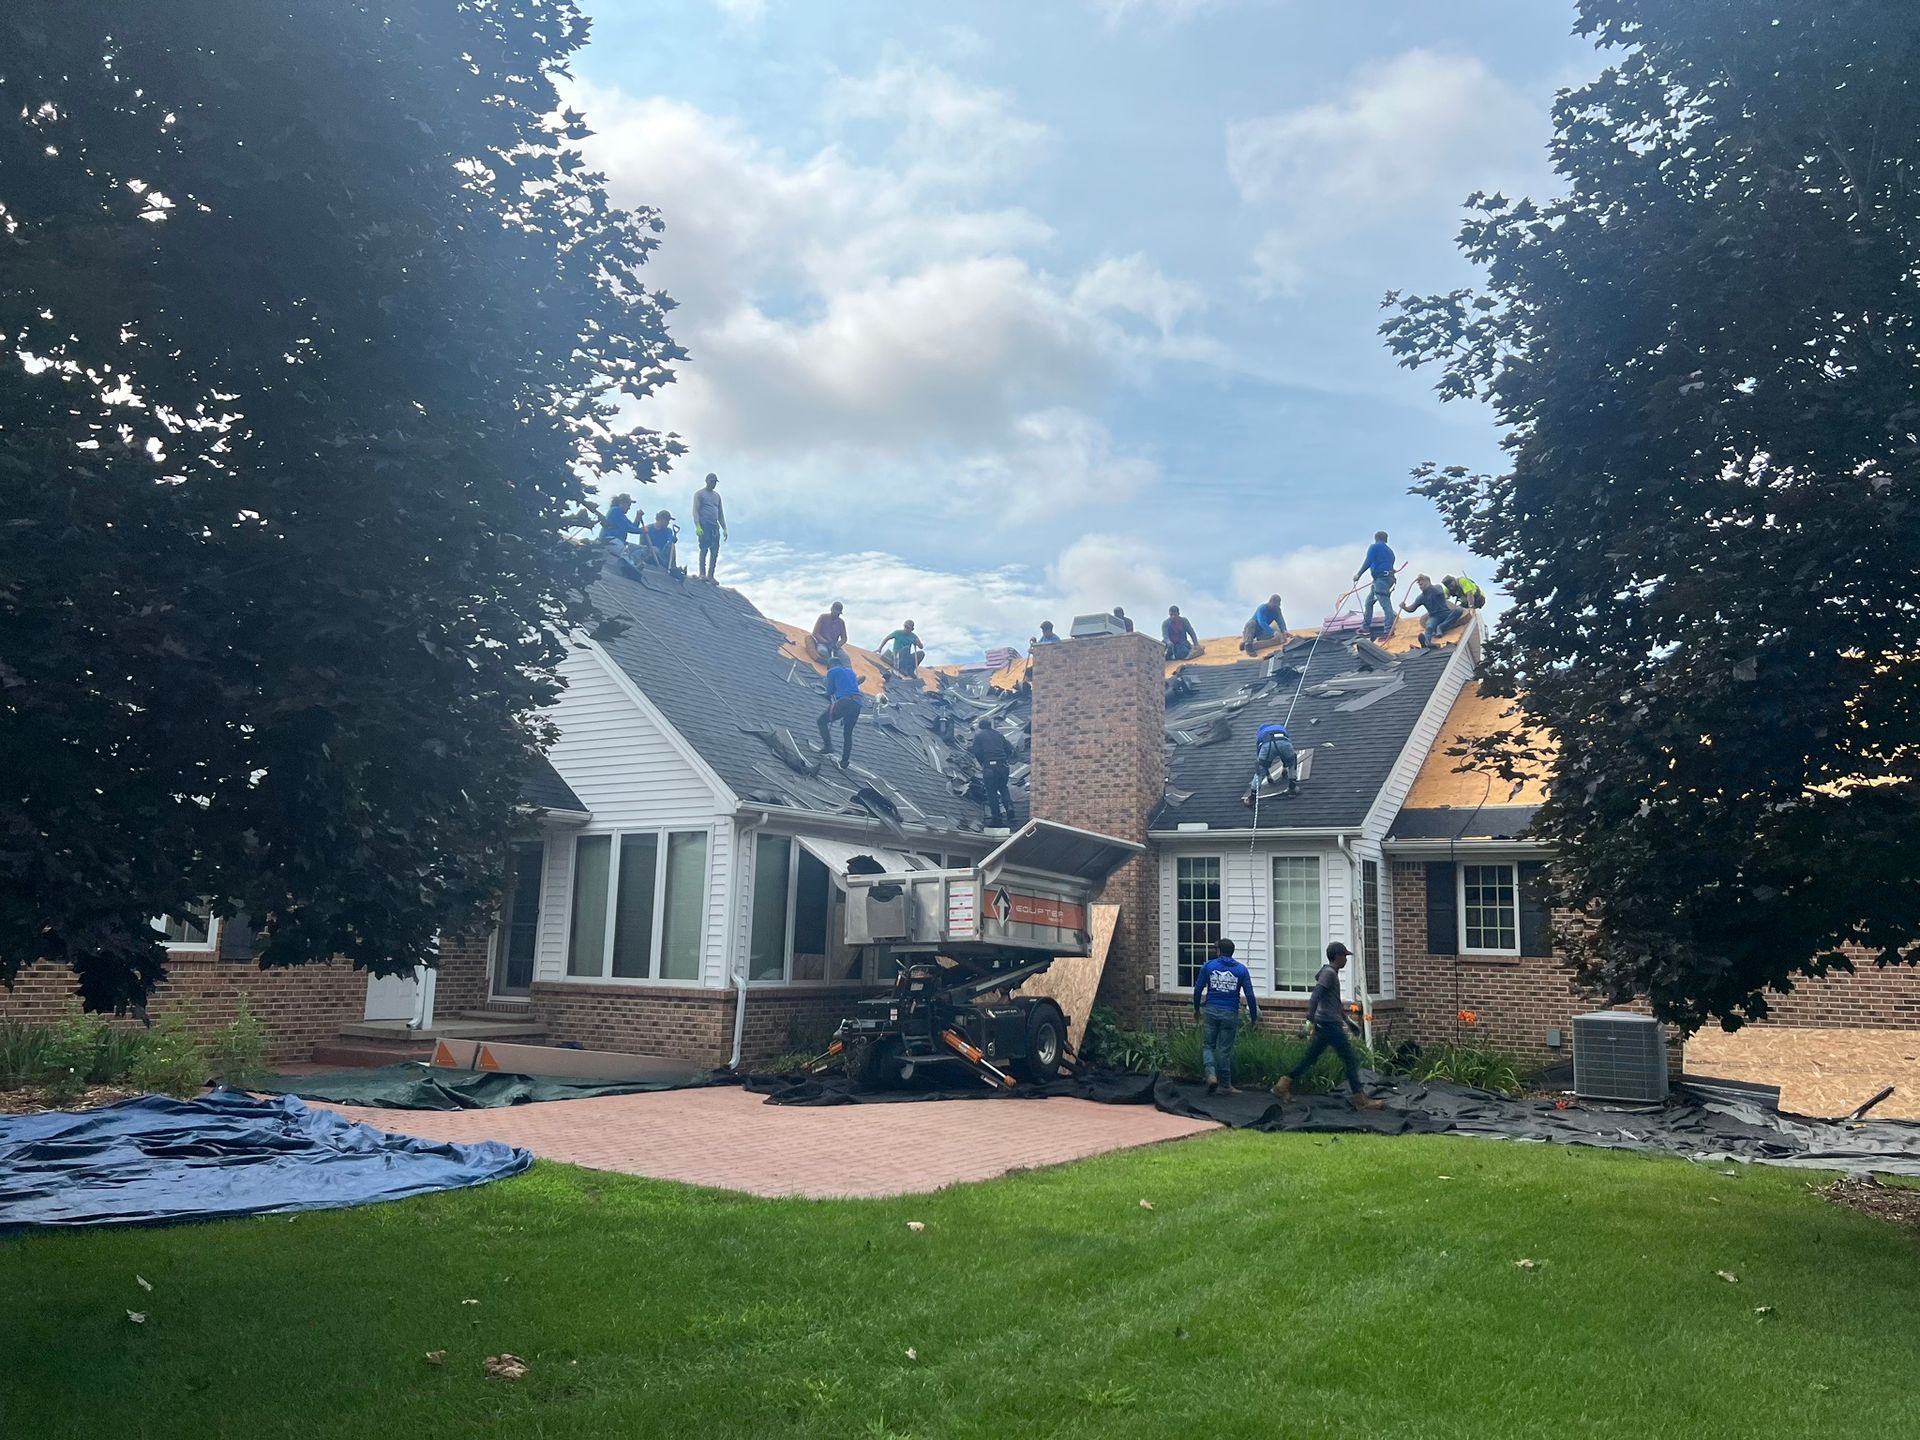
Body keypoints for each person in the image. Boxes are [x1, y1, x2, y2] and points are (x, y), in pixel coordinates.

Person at [1271, 943, 1383, 1110]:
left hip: (1327, 1024)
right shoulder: (1329, 974)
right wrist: (1309, 1018)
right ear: (1336, 956)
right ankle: (1360, 1099)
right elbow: (1316, 994)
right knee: (1350, 1059)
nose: (1345, 959)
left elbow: (1334, 1003)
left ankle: (1282, 1085)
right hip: (1329, 1025)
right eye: (1344, 956)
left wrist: (1348, 1022)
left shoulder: (1330, 973)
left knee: (1310, 1058)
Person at [1193, 937, 1260, 1095]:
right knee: (1224, 1049)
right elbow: (1250, 995)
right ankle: (1226, 1085)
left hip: (1211, 1009)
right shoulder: (1241, 970)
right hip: (1230, 1012)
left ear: (1219, 951)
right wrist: (1254, 1017)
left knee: (1208, 1045)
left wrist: (1196, 1008)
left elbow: (1198, 989)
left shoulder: (1209, 966)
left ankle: (1210, 1075)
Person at [815, 663, 864, 768]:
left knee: (821, 721)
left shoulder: (832, 670)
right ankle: (844, 761)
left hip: (845, 701)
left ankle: (828, 746)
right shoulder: (851, 672)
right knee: (848, 733)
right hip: (857, 703)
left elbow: (829, 691)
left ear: (829, 666)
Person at [970, 718, 1014, 828]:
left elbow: (977, 752)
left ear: (980, 726)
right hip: (1003, 766)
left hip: (990, 767)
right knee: (1003, 788)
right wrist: (1005, 759)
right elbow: (1009, 750)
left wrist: (983, 763)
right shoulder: (999, 735)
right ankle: (1010, 810)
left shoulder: (978, 735)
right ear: (990, 725)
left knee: (992, 792)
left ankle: (997, 818)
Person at [1401, 574, 1465, 648]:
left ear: (1428, 581)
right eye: (1420, 585)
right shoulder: (1421, 597)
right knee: (1429, 626)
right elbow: (1412, 608)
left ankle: (1441, 627)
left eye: (1422, 583)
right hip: (1434, 616)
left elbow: (1440, 592)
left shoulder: (1437, 587)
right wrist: (1405, 607)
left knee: (1459, 610)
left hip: (1445, 613)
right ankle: (1426, 642)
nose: (1421, 586)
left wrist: (1428, 584)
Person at [1242, 720, 1298, 806]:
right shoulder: (1280, 728)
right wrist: (1284, 768)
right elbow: (1285, 753)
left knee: (1260, 770)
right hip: (1284, 742)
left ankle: (1252, 797)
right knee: (1292, 762)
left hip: (1267, 745)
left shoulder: (1261, 734)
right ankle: (1292, 789)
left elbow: (1259, 755)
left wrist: (1268, 775)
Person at [1354, 531, 1397, 636]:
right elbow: (1387, 564)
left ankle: (1388, 630)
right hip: (1387, 578)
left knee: (1385, 603)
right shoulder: (1390, 551)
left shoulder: (1374, 547)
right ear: (1386, 539)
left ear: (1375, 538)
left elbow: (1368, 561)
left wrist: (1358, 574)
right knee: (1369, 602)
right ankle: (1365, 627)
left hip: (1381, 579)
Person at [692, 473, 727, 582]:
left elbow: (720, 513)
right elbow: (695, 511)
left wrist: (724, 528)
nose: (713, 484)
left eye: (715, 482)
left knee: (715, 550)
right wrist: (697, 526)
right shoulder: (699, 494)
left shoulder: (717, 496)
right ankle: (702, 573)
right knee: (704, 548)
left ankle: (710, 575)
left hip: (714, 526)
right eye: (712, 481)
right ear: (707, 481)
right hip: (704, 524)